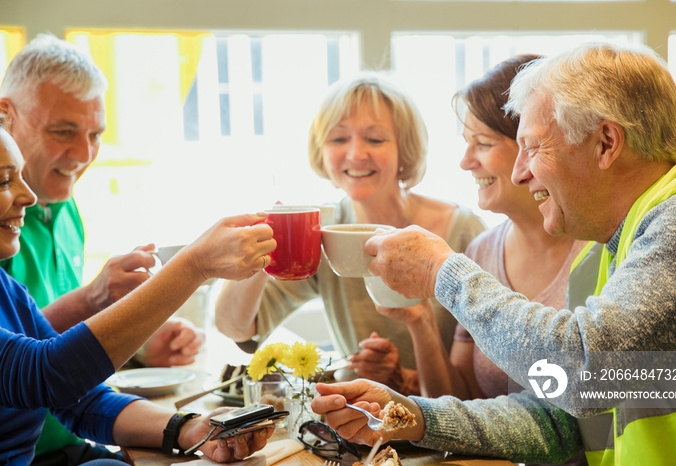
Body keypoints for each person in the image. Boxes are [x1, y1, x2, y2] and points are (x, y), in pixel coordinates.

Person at [311, 42, 676, 466]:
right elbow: (565, 420)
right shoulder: (621, 242)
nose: (520, 171)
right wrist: (410, 414)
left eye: (532, 147)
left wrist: (442, 272)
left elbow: (583, 373)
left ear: (606, 143)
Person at [0, 123, 277, 464]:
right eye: (4, 181)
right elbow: (49, 374)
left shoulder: (6, 287)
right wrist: (193, 265)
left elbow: (81, 400)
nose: (27, 196)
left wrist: (191, 429)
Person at [0, 34, 204, 462]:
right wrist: (193, 266)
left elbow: (73, 389)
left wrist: (189, 428)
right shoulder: (11, 233)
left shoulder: (49, 226)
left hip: (66, 444)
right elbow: (41, 368)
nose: (85, 152)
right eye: (63, 131)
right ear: (7, 115)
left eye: (96, 134)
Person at [214, 74, 485, 381]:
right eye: (339, 139)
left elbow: (486, 380)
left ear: (404, 148)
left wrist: (402, 375)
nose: (356, 154)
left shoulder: (463, 230)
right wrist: (263, 238)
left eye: (375, 139)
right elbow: (235, 328)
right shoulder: (323, 231)